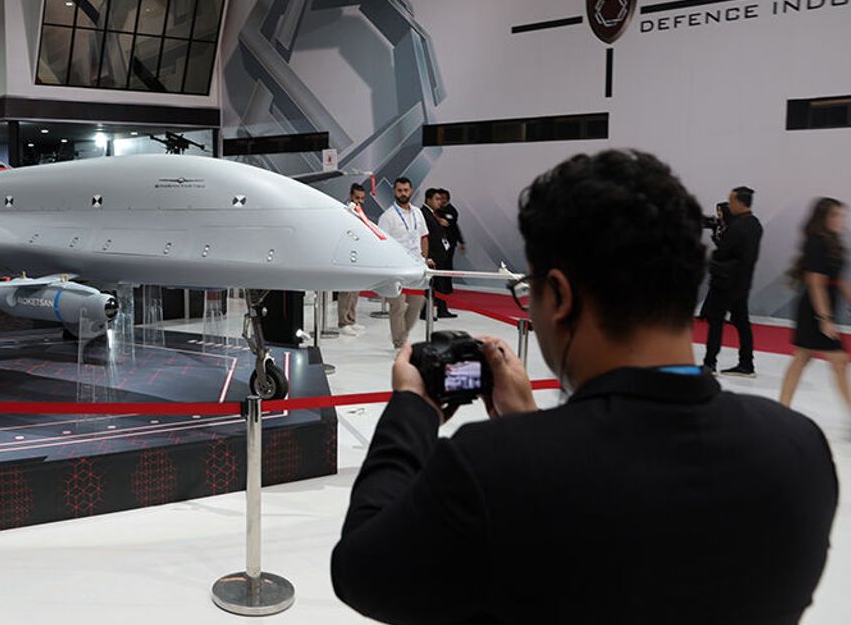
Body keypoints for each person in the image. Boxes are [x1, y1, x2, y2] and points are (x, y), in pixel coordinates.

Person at [332, 150, 837, 625]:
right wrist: (530, 428)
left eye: (528, 290)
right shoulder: (798, 449)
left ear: (559, 296)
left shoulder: (491, 467)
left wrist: (412, 410)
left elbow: (363, 571)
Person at [779, 197, 851, 412]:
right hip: (814, 310)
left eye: (841, 215)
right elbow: (815, 283)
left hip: (820, 308)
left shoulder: (833, 243)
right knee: (838, 360)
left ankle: (782, 407)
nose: (840, 220)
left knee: (803, 358)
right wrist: (824, 318)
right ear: (823, 218)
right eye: (835, 215)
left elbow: (838, 280)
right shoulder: (818, 244)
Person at [702, 186, 763, 376]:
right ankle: (746, 363)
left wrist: (713, 253)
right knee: (742, 323)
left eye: (731, 202)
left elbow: (722, 252)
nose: (728, 206)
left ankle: (709, 363)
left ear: (738, 203)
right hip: (742, 282)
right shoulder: (755, 225)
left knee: (716, 322)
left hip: (725, 282)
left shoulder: (737, 227)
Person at [376, 177, 430, 350]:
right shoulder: (388, 217)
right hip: (396, 269)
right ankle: (399, 344)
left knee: (418, 303)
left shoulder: (418, 213)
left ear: (411, 190)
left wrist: (424, 259)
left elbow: (424, 237)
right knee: (397, 306)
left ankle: (401, 334)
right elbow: (381, 244)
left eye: (406, 190)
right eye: (399, 190)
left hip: (416, 267)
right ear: (394, 191)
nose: (403, 193)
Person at [338, 183, 369, 337]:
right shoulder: (345, 211)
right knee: (346, 290)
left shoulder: (360, 211)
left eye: (362, 198)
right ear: (350, 196)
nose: (359, 201)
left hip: (358, 253)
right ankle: (343, 322)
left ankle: (351, 319)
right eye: (357, 198)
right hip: (346, 254)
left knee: (355, 289)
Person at [421, 188, 457, 319]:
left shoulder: (434, 214)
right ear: (428, 199)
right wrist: (427, 256)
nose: (439, 202)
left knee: (439, 284)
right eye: (437, 199)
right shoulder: (423, 214)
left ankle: (442, 310)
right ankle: (426, 311)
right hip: (432, 255)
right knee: (431, 284)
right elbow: (424, 237)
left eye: (440, 199)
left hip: (440, 254)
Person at [437, 188, 465, 255]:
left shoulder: (452, 211)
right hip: (437, 241)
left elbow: (454, 227)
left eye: (443, 198)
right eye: (439, 198)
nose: (441, 200)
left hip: (449, 242)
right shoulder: (435, 209)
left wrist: (461, 242)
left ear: (448, 199)